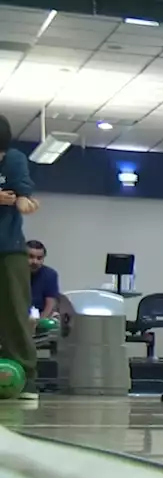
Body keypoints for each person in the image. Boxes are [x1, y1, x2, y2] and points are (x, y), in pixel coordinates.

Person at [0, 113, 41, 401]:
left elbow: (23, 190)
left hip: (9, 246)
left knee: (15, 313)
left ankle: (26, 379)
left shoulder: (14, 159)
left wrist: (25, 201)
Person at [27, 241, 59, 319]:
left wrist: (39, 323)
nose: (35, 261)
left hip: (40, 316)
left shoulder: (50, 275)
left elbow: (50, 305)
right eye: (31, 257)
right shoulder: (13, 274)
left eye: (39, 258)